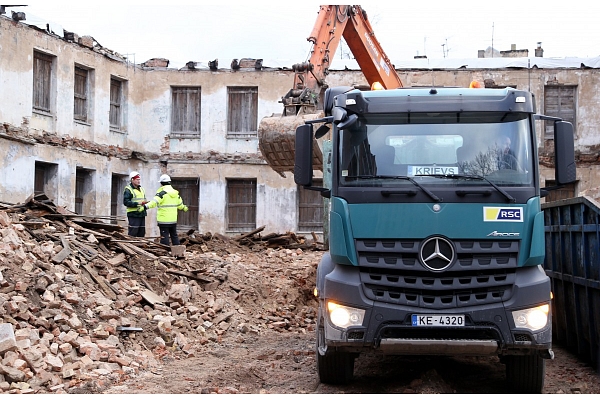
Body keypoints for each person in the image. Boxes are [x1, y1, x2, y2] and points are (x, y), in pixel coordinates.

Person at [145, 174, 189, 246]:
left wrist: (145, 206)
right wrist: (185, 208)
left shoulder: (162, 194)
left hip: (163, 220)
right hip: (173, 220)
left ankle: (165, 253)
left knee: (164, 237)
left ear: (161, 183)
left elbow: (154, 202)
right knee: (174, 236)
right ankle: (178, 251)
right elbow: (180, 205)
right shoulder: (176, 194)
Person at [122, 171, 148, 237]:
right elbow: (126, 202)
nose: (139, 181)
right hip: (133, 214)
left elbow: (143, 199)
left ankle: (140, 246)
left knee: (141, 233)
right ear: (132, 180)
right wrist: (137, 203)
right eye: (137, 179)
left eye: (139, 179)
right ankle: (132, 246)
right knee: (133, 232)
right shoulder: (128, 189)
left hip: (141, 213)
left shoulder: (142, 189)